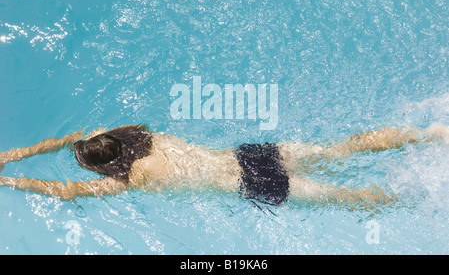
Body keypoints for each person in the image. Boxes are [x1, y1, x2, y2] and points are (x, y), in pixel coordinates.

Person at [0, 123, 447, 209]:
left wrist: (10, 177)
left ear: (105, 166)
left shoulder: (130, 181)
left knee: (353, 200)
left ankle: (423, 199)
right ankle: (430, 134)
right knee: (343, 149)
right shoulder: (139, 134)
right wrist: (18, 151)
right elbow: (68, 139)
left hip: (253, 185)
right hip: (252, 156)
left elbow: (65, 192)